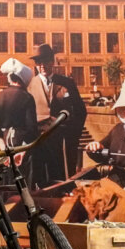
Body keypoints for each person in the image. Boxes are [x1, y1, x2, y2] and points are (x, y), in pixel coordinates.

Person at [27, 44, 88, 184]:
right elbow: (28, 115)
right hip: (42, 141)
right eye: (38, 62)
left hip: (63, 141)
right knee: (43, 179)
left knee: (65, 178)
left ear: (52, 61)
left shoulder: (67, 83)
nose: (42, 65)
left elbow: (80, 111)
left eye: (46, 60)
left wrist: (72, 134)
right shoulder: (30, 85)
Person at [0, 58, 38, 160]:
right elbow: (32, 129)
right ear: (24, 80)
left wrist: (4, 149)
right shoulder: (27, 97)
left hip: (3, 146)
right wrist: (22, 152)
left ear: (10, 78)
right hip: (22, 150)